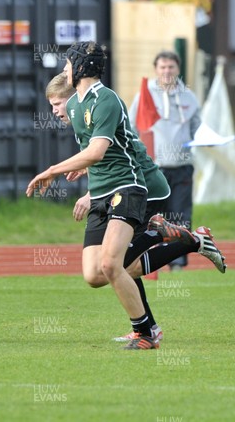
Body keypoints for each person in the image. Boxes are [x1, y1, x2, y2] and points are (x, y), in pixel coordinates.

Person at [45, 72, 226, 344]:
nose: (54, 110)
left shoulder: (99, 109)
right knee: (101, 272)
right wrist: (90, 180)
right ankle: (189, 241)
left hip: (145, 191)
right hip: (111, 195)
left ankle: (147, 326)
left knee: (117, 265)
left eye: (57, 103)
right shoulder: (84, 119)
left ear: (74, 99)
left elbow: (123, 165)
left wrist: (88, 190)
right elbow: (104, 163)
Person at [129, 51, 201, 271]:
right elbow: (131, 127)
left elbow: (197, 128)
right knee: (153, 217)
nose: (167, 71)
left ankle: (178, 261)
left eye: (171, 67)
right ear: (156, 69)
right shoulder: (145, 94)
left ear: (177, 69)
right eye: (163, 67)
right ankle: (150, 259)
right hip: (154, 168)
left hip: (182, 166)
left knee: (182, 215)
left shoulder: (188, 96)